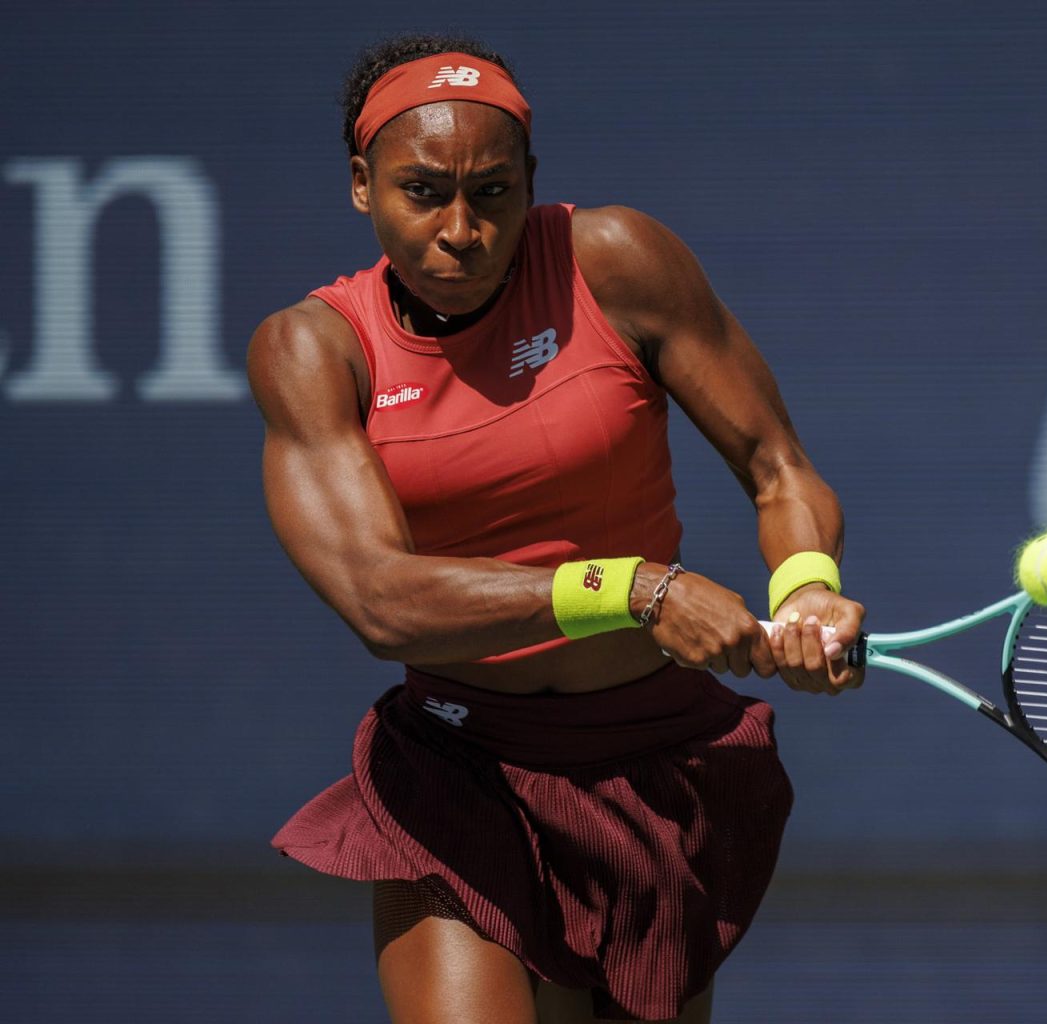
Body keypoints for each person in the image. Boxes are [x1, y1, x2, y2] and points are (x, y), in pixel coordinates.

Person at [247, 32, 866, 1024]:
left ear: (531, 181)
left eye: (492, 193)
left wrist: (805, 586)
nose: (461, 230)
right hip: (459, 770)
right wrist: (632, 590)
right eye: (423, 192)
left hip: (658, 765)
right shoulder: (315, 349)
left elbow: (777, 468)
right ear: (362, 186)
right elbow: (379, 599)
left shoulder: (616, 263)